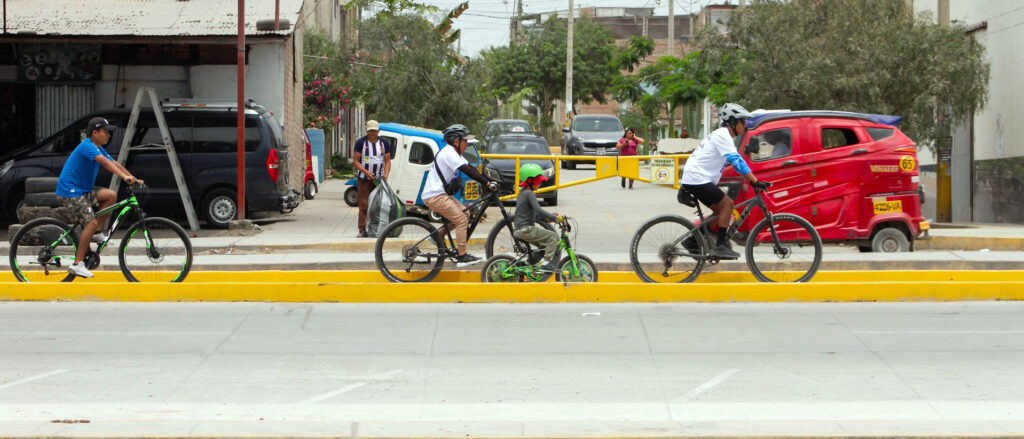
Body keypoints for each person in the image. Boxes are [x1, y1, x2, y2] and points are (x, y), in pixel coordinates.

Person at [55, 117, 143, 278]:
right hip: (70, 192)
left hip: (82, 190)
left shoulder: (97, 147)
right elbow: (104, 163)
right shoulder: (88, 146)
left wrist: (133, 177)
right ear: (95, 133)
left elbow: (114, 163)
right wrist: (125, 178)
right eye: (105, 132)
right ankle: (77, 264)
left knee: (110, 195)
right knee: (90, 222)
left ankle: (96, 233)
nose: (108, 136)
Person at [679, 103, 766, 260]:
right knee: (728, 205)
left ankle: (693, 240)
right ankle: (720, 246)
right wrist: (754, 180)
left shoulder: (722, 136)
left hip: (696, 179)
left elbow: (725, 162)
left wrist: (745, 177)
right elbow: (735, 160)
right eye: (743, 122)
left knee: (721, 212)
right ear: (734, 122)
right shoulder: (723, 135)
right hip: (697, 179)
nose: (745, 126)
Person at [421, 124, 496, 267]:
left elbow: (472, 169)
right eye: (465, 141)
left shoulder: (454, 154)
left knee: (465, 213)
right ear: (456, 141)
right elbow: (467, 170)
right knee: (462, 220)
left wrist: (490, 180)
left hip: (440, 194)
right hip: (435, 196)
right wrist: (487, 184)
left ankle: (437, 235)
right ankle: (462, 256)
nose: (467, 145)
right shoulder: (449, 153)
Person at [512, 163, 563, 272]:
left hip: (520, 229)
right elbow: (538, 210)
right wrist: (555, 218)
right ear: (530, 181)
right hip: (526, 229)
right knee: (553, 237)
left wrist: (547, 218)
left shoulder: (522, 193)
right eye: (538, 181)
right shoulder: (529, 193)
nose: (540, 183)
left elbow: (533, 214)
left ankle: (526, 264)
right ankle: (546, 264)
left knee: (543, 248)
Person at [353, 120, 392, 238]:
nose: (372, 133)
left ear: (378, 131)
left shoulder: (384, 143)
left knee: (379, 204)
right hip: (364, 178)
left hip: (379, 179)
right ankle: (362, 229)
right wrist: (366, 172)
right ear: (367, 131)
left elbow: (387, 161)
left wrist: (385, 175)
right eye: (370, 131)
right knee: (364, 204)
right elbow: (356, 161)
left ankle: (378, 228)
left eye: (374, 131)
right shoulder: (361, 143)